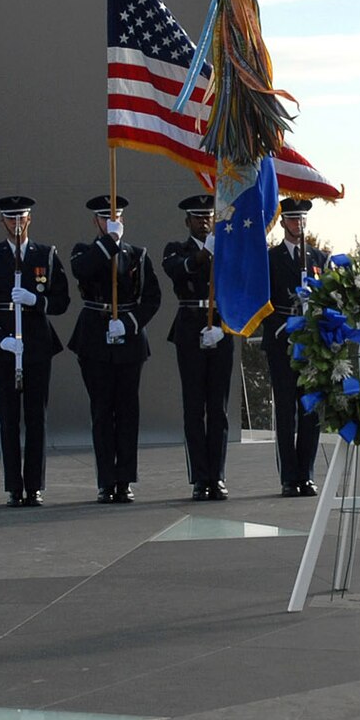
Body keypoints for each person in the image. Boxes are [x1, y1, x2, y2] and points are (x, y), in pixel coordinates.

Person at [0, 196, 68, 507]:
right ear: (3, 223)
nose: (16, 224)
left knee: (36, 417)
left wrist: (34, 300)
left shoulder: (46, 254)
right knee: (9, 418)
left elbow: (62, 301)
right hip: (4, 347)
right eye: (10, 220)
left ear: (29, 221)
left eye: (21, 218)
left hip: (37, 344)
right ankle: (14, 486)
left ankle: (34, 485)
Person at [69, 195, 162, 503]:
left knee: (127, 411)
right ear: (95, 222)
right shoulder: (83, 251)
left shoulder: (137, 255)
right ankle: (105, 480)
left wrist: (131, 322)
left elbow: (152, 298)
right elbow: (83, 271)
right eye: (106, 218)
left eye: (117, 218)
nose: (112, 222)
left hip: (128, 338)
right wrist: (109, 242)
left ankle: (124, 480)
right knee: (101, 410)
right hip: (94, 336)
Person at [162, 195, 232, 500]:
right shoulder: (176, 249)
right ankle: (199, 478)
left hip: (220, 326)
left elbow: (237, 284)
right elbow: (180, 270)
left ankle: (217, 476)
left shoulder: (225, 249)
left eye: (208, 217)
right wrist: (206, 253)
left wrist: (222, 327)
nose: (204, 222)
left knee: (218, 408)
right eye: (198, 218)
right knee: (194, 406)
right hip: (190, 327)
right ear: (187, 221)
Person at [265, 199, 324, 497]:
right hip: (282, 340)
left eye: (301, 220)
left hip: (311, 343)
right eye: (292, 220)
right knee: (286, 410)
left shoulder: (318, 259)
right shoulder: (271, 258)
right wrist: (282, 326)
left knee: (310, 410)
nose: (297, 225)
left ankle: (307, 474)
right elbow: (264, 300)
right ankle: (289, 476)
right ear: (283, 223)